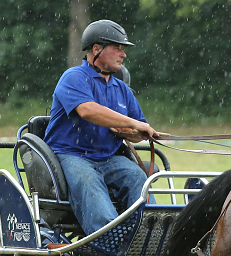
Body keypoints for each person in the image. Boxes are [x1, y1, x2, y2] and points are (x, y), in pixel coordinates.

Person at [44, 19, 160, 235]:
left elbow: (135, 133)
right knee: (89, 181)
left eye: (123, 50)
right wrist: (133, 123)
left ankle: (147, 235)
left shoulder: (122, 89)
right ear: (96, 49)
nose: (123, 55)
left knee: (137, 177)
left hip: (109, 158)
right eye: (118, 48)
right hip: (71, 156)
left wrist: (136, 133)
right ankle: (108, 239)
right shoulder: (73, 78)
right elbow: (88, 111)